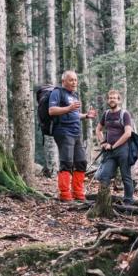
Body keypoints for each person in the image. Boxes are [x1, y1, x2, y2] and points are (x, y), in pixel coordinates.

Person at [48, 70, 96, 201]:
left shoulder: (74, 95)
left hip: (76, 133)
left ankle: (78, 193)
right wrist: (69, 108)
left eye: (75, 80)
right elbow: (51, 111)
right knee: (66, 163)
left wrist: (86, 116)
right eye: (71, 80)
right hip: (63, 131)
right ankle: (64, 194)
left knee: (81, 162)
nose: (74, 82)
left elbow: (74, 114)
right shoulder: (57, 92)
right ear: (64, 81)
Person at [95, 89, 135, 205]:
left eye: (114, 98)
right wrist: (103, 142)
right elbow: (98, 129)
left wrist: (114, 146)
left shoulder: (124, 114)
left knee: (126, 176)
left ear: (119, 100)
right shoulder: (106, 114)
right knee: (104, 176)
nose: (112, 100)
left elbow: (128, 133)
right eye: (110, 98)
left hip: (123, 150)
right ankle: (103, 203)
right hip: (109, 152)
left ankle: (128, 204)